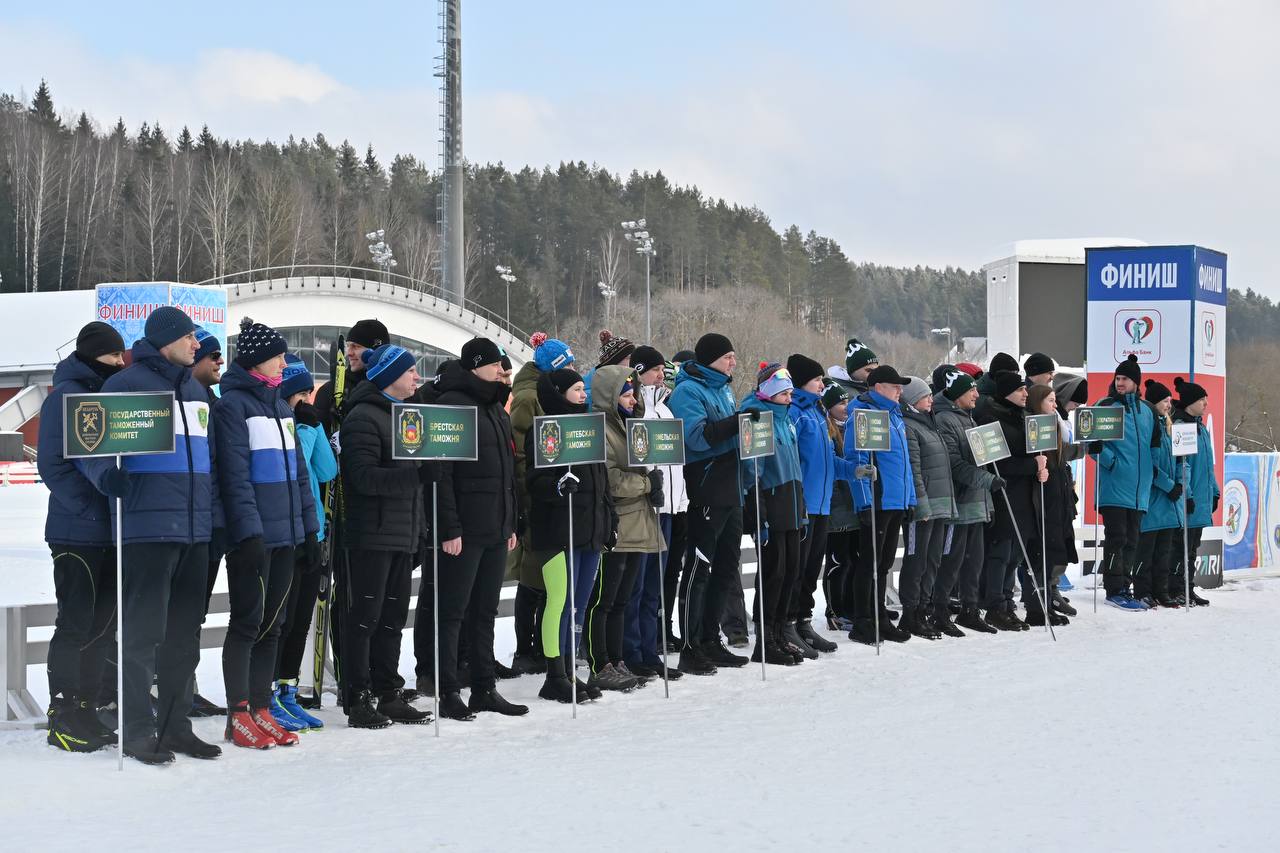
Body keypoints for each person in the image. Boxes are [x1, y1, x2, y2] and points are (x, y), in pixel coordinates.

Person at [85, 307, 220, 765]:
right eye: (189, 338)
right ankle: (138, 729)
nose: (197, 345)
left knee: (184, 638)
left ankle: (175, 726)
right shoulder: (125, 385)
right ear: (166, 340)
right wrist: (107, 477)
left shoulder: (198, 390)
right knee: (142, 637)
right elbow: (90, 444)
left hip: (195, 531)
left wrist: (213, 519)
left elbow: (211, 463)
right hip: (146, 529)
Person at [213, 320, 319, 748]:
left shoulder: (281, 408)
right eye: (278, 356)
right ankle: (238, 713)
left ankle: (260, 707)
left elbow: (299, 478)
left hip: (287, 536)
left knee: (273, 626)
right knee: (248, 624)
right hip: (254, 539)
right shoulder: (231, 407)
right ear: (258, 360)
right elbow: (234, 479)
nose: (284, 362)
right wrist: (249, 534)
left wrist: (309, 532)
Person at [37, 322, 126, 752]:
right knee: (75, 623)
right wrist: (93, 509)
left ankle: (89, 707)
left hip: (111, 530)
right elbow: (52, 467)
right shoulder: (64, 399)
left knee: (102, 626)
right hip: (76, 533)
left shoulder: (114, 395)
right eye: (113, 356)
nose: (120, 362)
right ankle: (63, 712)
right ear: (94, 355)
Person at [338, 344, 434, 728]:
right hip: (371, 535)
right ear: (390, 376)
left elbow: (414, 484)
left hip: (401, 533)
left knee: (393, 618)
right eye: (411, 371)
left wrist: (420, 530)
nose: (417, 378)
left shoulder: (406, 415)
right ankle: (358, 696)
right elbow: (361, 478)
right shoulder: (363, 417)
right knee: (365, 618)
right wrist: (417, 476)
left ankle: (388, 691)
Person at [434, 338, 525, 718]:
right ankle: (448, 689)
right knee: (453, 611)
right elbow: (442, 475)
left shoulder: (495, 409)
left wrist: (510, 522)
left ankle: (484, 686)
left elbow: (507, 474)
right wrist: (449, 527)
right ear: (476, 367)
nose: (504, 372)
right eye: (496, 366)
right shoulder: (453, 406)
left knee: (485, 611)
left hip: (494, 526)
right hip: (464, 531)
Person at [525, 369, 613, 702]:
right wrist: (557, 485)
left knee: (579, 605)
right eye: (576, 389)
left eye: (583, 389)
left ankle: (570, 668)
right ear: (559, 392)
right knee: (559, 602)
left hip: (590, 529)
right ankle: (554, 673)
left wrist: (610, 520)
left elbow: (601, 481)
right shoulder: (546, 428)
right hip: (559, 529)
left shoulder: (590, 427)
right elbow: (533, 480)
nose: (582, 394)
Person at [668, 333, 750, 675]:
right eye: (728, 357)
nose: (733, 362)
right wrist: (738, 422)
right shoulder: (688, 390)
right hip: (705, 487)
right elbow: (697, 437)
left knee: (727, 568)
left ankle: (710, 638)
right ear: (711, 359)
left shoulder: (724, 388)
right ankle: (689, 646)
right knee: (699, 569)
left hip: (731, 488)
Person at [583, 365, 665, 691]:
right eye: (626, 394)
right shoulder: (601, 429)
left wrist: (651, 484)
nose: (632, 400)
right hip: (616, 524)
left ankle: (616, 659)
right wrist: (646, 483)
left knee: (622, 599)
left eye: (633, 394)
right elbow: (610, 480)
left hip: (638, 522)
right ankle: (598, 662)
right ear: (610, 396)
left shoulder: (628, 425)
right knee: (604, 599)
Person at [270, 355, 339, 729]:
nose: (306, 401)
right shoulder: (278, 424)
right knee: (281, 618)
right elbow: (293, 460)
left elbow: (328, 470)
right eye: (302, 395)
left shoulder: (307, 423)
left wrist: (315, 429)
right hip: (286, 530)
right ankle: (269, 690)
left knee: (300, 620)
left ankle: (288, 690)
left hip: (313, 531)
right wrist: (306, 432)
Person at [507, 332, 576, 676]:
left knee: (546, 577)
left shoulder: (546, 391)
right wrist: (526, 495)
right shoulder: (528, 397)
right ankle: (525, 648)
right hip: (535, 495)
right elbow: (520, 453)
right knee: (532, 576)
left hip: (551, 493)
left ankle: (537, 645)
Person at [625, 346, 687, 680]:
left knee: (655, 587)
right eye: (653, 370)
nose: (660, 376)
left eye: (662, 370)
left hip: (668, 507)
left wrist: (680, 498)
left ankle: (650, 650)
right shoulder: (637, 409)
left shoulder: (663, 408)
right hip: (645, 507)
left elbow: (674, 461)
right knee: (636, 586)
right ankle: (633, 650)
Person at [740, 363, 808, 665]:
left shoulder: (787, 421)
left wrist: (802, 510)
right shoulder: (757, 418)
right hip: (771, 502)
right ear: (770, 391)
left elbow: (795, 466)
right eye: (784, 391)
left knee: (791, 572)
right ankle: (764, 640)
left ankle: (780, 633)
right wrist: (759, 514)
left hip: (792, 505)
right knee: (773, 573)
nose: (789, 395)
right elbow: (751, 472)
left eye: (790, 391)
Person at [845, 364, 915, 645]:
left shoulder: (896, 416)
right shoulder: (864, 416)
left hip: (895, 499)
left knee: (884, 563)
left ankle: (879, 615)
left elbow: (904, 464)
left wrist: (909, 498)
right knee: (870, 563)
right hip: (877, 499)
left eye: (901, 386)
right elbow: (857, 460)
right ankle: (864, 619)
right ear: (877, 387)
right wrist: (864, 502)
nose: (900, 391)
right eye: (894, 386)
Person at [931, 368, 1001, 636]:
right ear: (957, 393)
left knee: (974, 561)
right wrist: (986, 480)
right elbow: (954, 464)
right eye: (970, 390)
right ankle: (939, 609)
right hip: (959, 504)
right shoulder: (946, 419)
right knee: (951, 560)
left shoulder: (968, 419)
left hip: (976, 503)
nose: (976, 394)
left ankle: (970, 609)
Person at [786, 354, 848, 655]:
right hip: (804, 504)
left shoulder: (817, 413)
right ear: (802, 383)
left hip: (823, 504)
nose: (822, 385)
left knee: (811, 569)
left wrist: (853, 469)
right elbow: (792, 460)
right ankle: (787, 624)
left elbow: (828, 461)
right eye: (817, 380)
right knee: (796, 569)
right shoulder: (795, 413)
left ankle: (803, 621)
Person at [975, 370, 1041, 631]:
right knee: (1000, 553)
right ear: (1006, 393)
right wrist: (1032, 465)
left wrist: (1040, 466)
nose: (1026, 393)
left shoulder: (1022, 416)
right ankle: (994, 605)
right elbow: (996, 464)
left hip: (1024, 494)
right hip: (1003, 494)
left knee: (1014, 554)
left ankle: (1006, 602)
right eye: (1020, 389)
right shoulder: (991, 418)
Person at [1092, 355, 1159, 611]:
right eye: (1117, 378)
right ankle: (1113, 588)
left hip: (1140, 490)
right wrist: (1111, 461)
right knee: (1116, 538)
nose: (1120, 382)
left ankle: (1126, 585)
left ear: (1136, 382)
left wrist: (1153, 473)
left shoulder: (1148, 411)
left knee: (1132, 541)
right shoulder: (1105, 405)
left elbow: (1154, 447)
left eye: (1125, 379)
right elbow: (1091, 442)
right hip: (1114, 488)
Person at [188, 327, 228, 718]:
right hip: (189, 525)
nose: (219, 362)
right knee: (176, 612)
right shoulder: (184, 400)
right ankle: (166, 688)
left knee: (195, 612)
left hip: (212, 526)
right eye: (212, 355)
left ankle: (187, 684)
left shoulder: (214, 402)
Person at [898, 377, 956, 640]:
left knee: (933, 560)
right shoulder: (910, 427)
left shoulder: (929, 425)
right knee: (917, 560)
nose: (931, 400)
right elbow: (915, 468)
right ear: (912, 400)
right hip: (922, 507)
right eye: (925, 396)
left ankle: (924, 607)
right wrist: (921, 504)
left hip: (940, 504)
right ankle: (910, 613)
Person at [1022, 384, 1079, 626]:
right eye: (1050, 401)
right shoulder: (1032, 427)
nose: (1055, 406)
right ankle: (1035, 606)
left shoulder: (1055, 427)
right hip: (1038, 503)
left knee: (1050, 555)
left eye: (1055, 401)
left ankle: (1046, 603)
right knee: (1037, 556)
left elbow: (1066, 455)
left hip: (1057, 500)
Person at [1132, 380, 1184, 609]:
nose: (1168, 404)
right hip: (1154, 499)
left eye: (1170, 400)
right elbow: (1150, 464)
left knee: (1164, 551)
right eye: (1165, 400)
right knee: (1147, 551)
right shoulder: (1150, 427)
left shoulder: (1169, 428)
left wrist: (1180, 485)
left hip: (1169, 502)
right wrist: (1168, 485)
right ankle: (1143, 589)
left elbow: (1181, 461)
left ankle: (1161, 590)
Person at [1171, 378, 1217, 607]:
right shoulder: (1181, 426)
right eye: (1202, 399)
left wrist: (1215, 491)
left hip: (1200, 497)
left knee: (1192, 548)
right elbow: (1182, 465)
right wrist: (1187, 495)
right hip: (1188, 498)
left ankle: (1189, 587)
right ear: (1190, 402)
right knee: (1181, 547)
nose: (1206, 403)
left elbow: (1209, 465)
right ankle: (1177, 587)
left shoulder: (1200, 427)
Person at [821, 382, 859, 631]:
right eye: (841, 403)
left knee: (851, 560)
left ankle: (849, 606)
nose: (846, 407)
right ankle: (834, 610)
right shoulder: (827, 430)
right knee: (838, 560)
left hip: (851, 503)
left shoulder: (848, 429)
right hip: (835, 506)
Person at [314, 318, 390, 429]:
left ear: (376, 350)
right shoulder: (330, 390)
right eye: (348, 346)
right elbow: (318, 436)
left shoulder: (394, 386)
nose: (349, 353)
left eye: (356, 346)